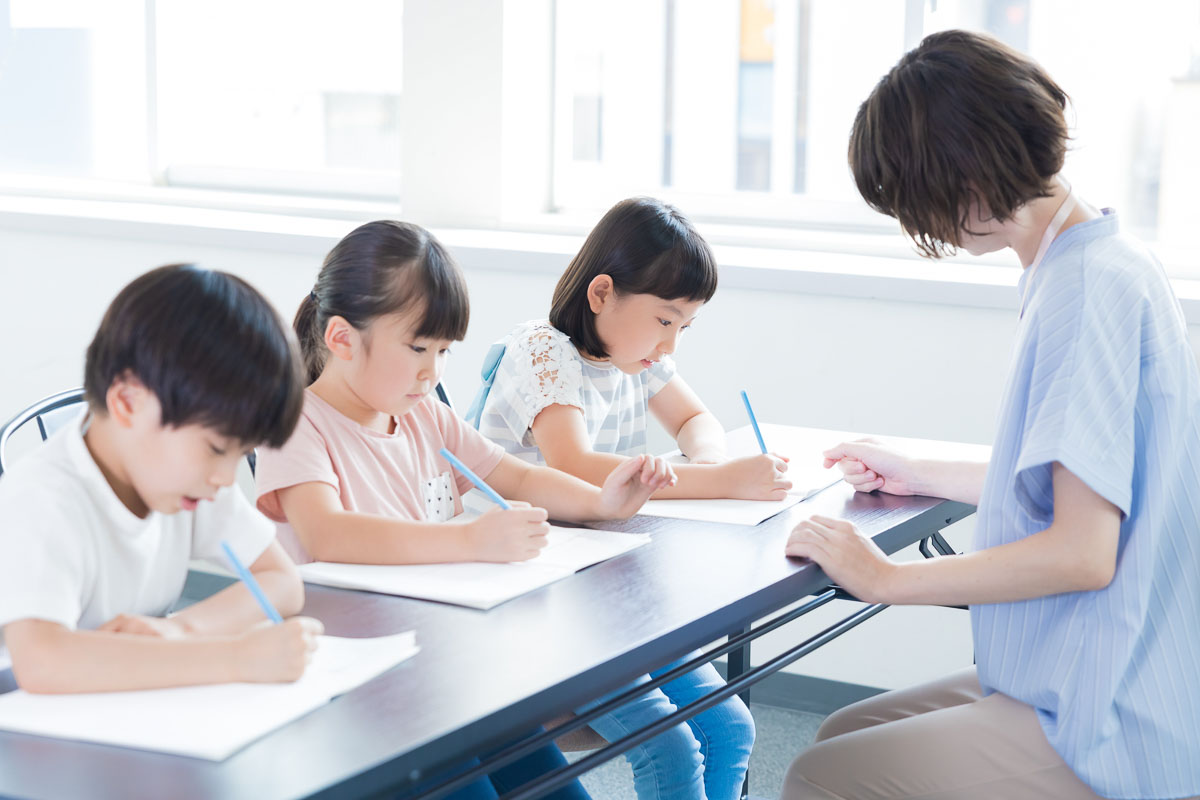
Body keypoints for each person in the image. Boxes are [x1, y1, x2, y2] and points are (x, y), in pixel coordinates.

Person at [782, 30, 1200, 800]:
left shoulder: (1083, 292)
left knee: (820, 776)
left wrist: (884, 577)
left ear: (963, 178)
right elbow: (1084, 480)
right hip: (1104, 663)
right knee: (842, 736)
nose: (924, 227)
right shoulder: (1099, 257)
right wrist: (919, 470)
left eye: (917, 202)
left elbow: (1082, 552)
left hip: (1105, 706)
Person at [472, 198, 760, 800]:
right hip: (531, 591)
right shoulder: (543, 351)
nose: (672, 343)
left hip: (603, 584)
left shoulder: (638, 355)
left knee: (730, 727)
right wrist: (725, 481)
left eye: (685, 326)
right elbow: (575, 467)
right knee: (670, 745)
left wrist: (709, 460)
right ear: (601, 293)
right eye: (665, 320)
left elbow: (697, 421)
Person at [0, 264, 321, 694]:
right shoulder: (41, 500)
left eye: (241, 454)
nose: (226, 478)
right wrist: (234, 658)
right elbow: (43, 662)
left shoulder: (191, 483)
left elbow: (281, 582)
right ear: (128, 403)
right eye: (216, 449)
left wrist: (182, 631)